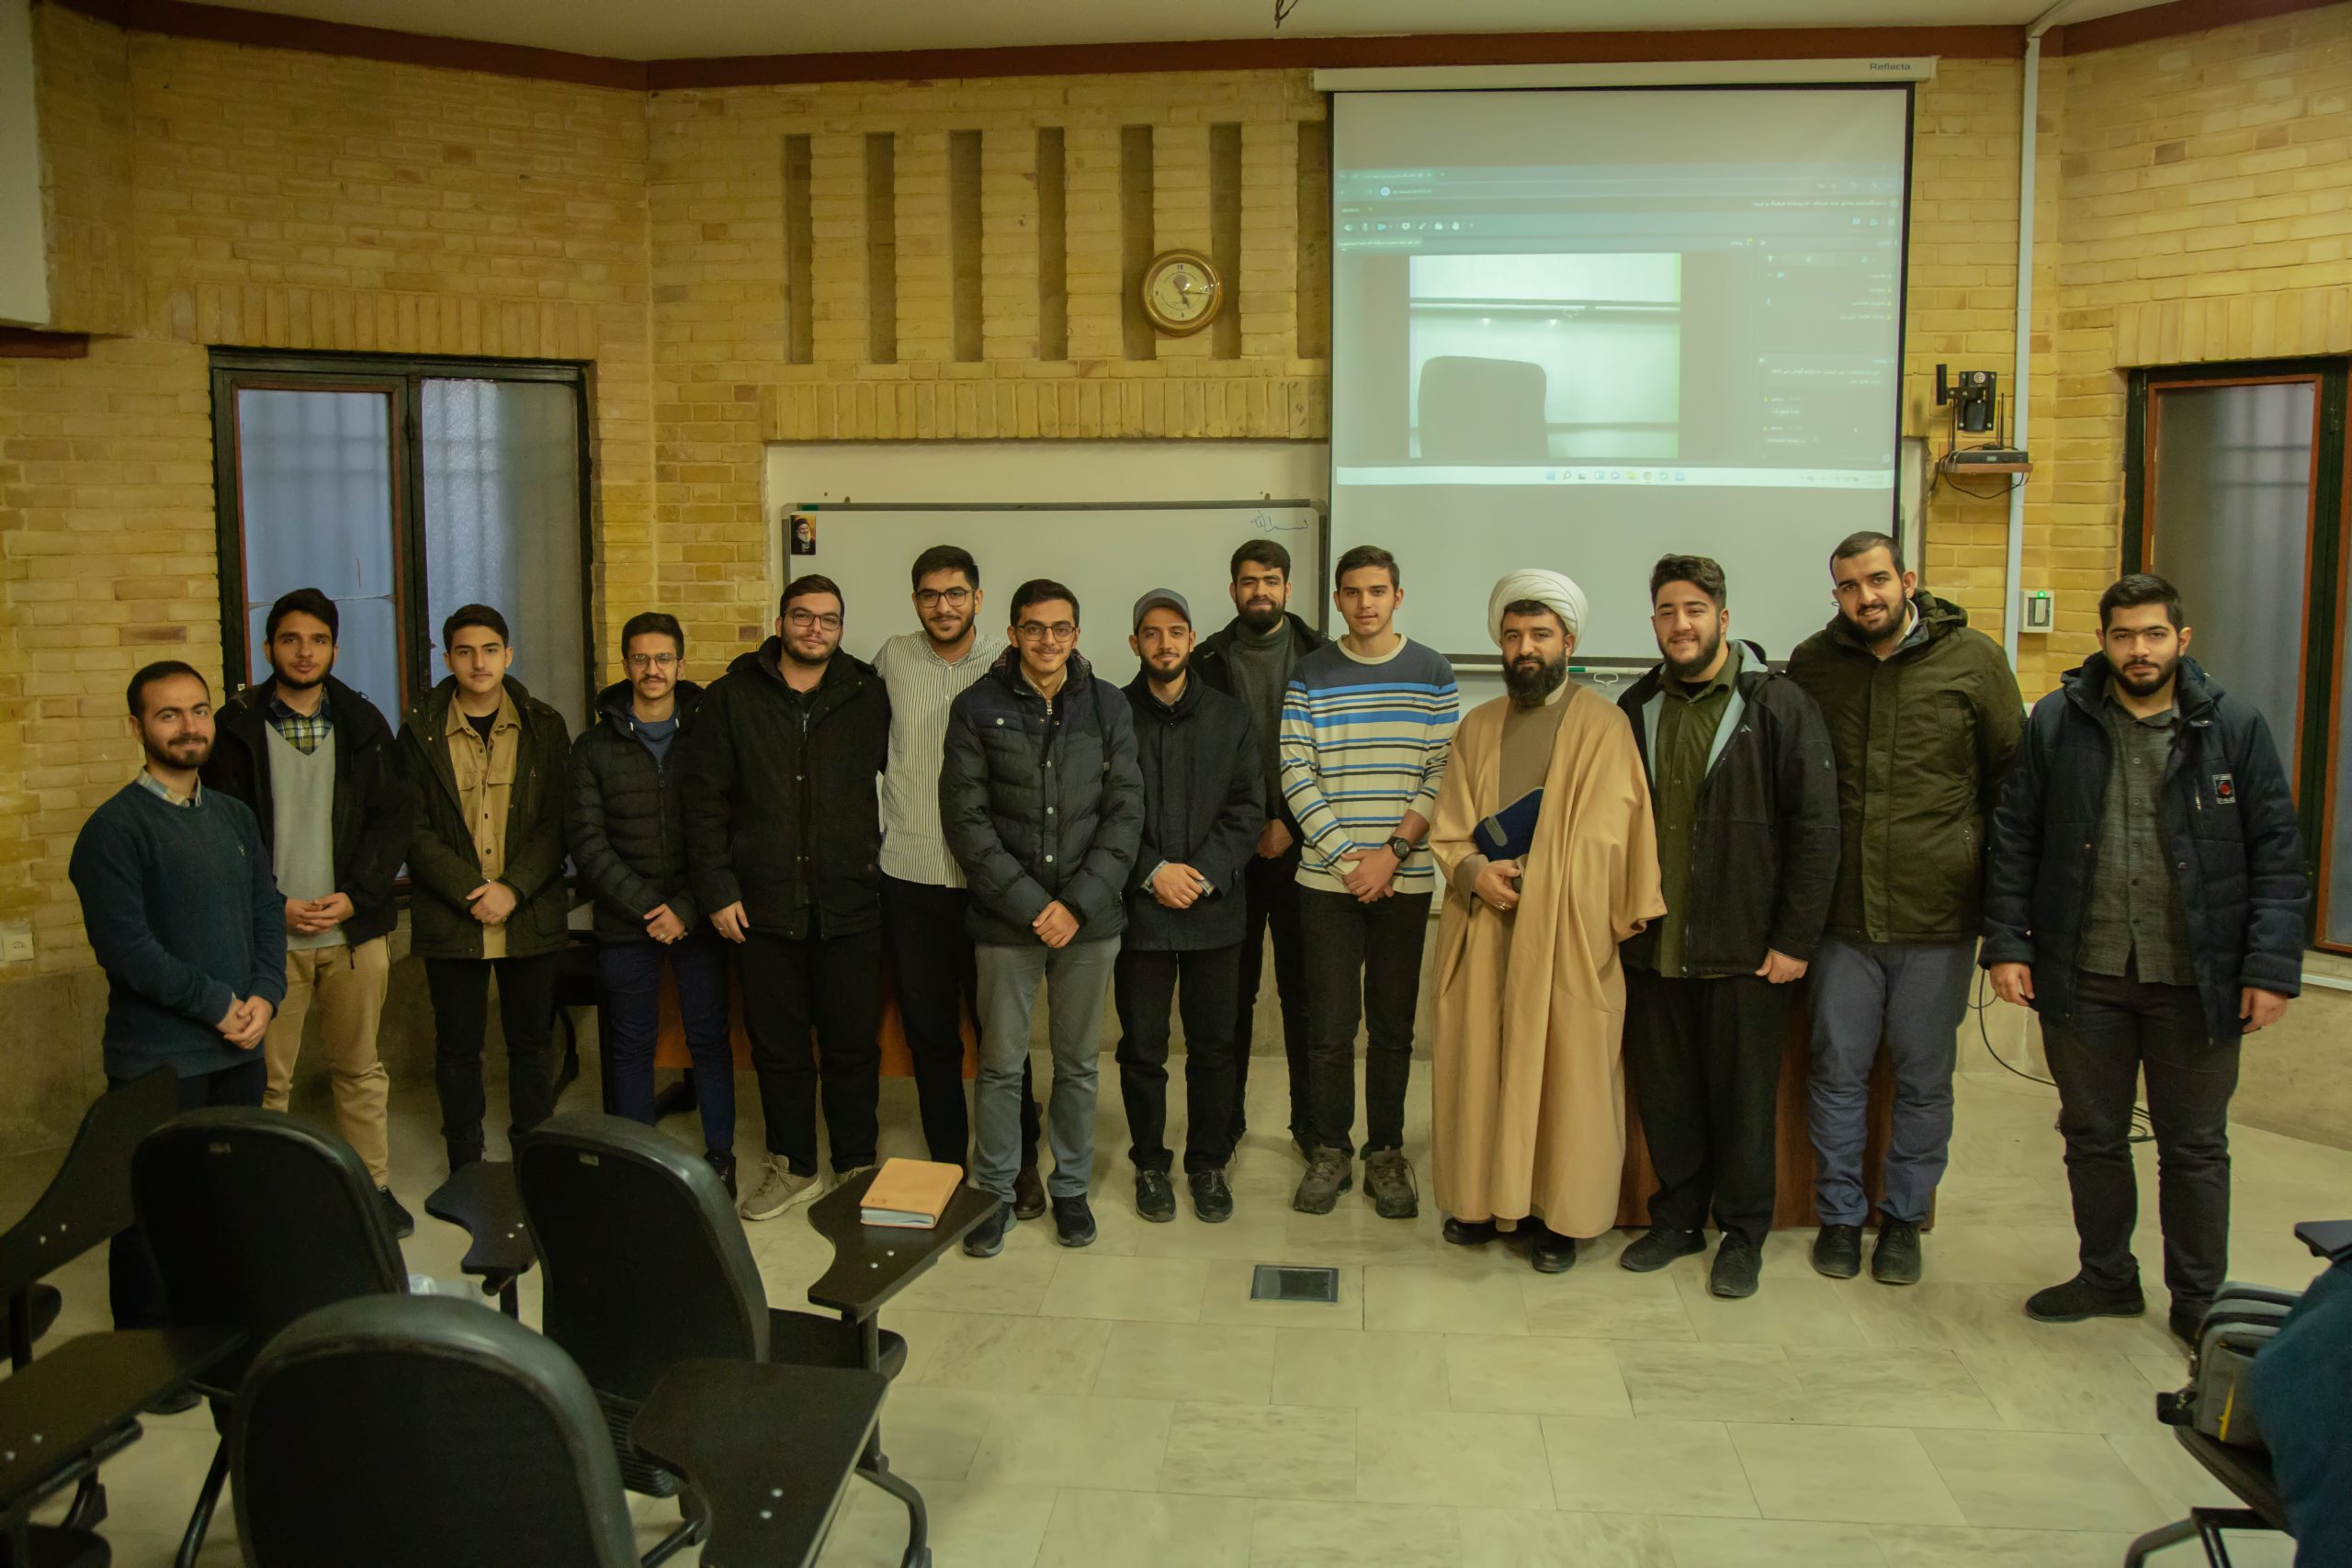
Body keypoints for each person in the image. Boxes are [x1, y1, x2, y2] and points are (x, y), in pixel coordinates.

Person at [1983, 573, 2307, 1345]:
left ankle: (2198, 1298)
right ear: (2102, 640)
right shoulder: (2057, 721)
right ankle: (2106, 1276)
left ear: (2181, 640)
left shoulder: (2233, 726)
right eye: (2124, 635)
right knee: (2091, 1134)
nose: (2139, 650)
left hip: (2196, 980)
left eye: (2154, 634)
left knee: (2194, 1147)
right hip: (2083, 972)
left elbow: (2277, 854)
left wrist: (2269, 968)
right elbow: (2015, 835)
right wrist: (2006, 943)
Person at [1787, 532, 2022, 1285]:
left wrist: (2005, 917)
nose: (1866, 597)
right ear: (1836, 594)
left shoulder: (1975, 661)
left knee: (1923, 1079)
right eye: (1850, 586)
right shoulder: (1813, 663)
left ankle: (1903, 1219)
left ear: (1908, 580)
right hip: (1840, 916)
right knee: (1837, 1071)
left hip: (1939, 916)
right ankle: (1839, 1215)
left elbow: (2012, 787)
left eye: (1878, 580)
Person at [1615, 557, 1838, 1297]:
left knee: (1744, 1104)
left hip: (1746, 950)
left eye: (1695, 610)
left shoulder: (1777, 704)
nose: (1680, 624)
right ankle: (1678, 1219)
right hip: (1654, 947)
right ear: (1654, 621)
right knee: (1668, 1097)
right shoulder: (1636, 706)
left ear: (1723, 618)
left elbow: (1817, 829)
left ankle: (1742, 1235)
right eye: (1667, 611)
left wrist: (1795, 938)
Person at [1427, 574, 1663, 1272]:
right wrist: (1474, 872)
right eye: (1512, 636)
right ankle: (1478, 1201)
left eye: (1539, 635)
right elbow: (1450, 828)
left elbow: (1613, 836)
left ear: (1569, 641)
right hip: (1485, 929)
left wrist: (1535, 876)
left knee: (1566, 1077)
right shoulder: (1477, 726)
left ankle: (1557, 1216)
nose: (1525, 648)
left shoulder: (1604, 725)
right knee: (1481, 1067)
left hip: (1566, 936)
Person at [71, 661, 285, 1335]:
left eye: (198, 710)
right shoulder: (113, 830)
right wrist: (218, 1004)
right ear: (136, 727)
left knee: (227, 1200)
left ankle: (216, 1330)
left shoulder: (234, 817)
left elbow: (266, 912)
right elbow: (128, 950)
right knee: (151, 1209)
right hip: (159, 1059)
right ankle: (145, 1350)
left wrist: (266, 994)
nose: (189, 726)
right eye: (168, 714)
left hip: (240, 1051)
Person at [201, 589, 416, 1237]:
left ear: (334, 650)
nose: (304, 652)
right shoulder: (234, 729)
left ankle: (373, 1189)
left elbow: (392, 821)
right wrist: (273, 904)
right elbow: (216, 833)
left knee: (360, 1068)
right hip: (267, 937)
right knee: (267, 1078)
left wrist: (357, 894)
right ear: (269, 647)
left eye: (318, 640)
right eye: (291, 639)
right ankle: (267, 1199)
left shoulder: (363, 723)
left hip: (352, 931)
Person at [942, 579, 1143, 1257]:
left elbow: (1125, 813)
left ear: (1076, 634)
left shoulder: (1108, 704)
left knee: (1079, 1065)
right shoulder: (977, 706)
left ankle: (1071, 1190)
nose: (1047, 640)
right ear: (1013, 633)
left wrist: (1077, 904)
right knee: (1001, 1066)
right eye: (1033, 628)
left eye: (1060, 628)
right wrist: (1035, 906)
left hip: (1090, 922)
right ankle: (996, 1192)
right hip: (1007, 922)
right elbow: (966, 820)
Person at [684, 576, 891, 1221]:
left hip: (850, 899)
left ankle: (855, 1162)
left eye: (828, 619)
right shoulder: (731, 697)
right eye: (803, 616)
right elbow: (703, 802)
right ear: (780, 623)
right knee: (777, 1048)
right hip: (761, 904)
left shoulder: (867, 693)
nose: (815, 628)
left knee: (852, 1045)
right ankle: (794, 1165)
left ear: (840, 628)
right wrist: (718, 889)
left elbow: (903, 781)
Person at [1281, 545, 1458, 1220]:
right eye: (1352, 592)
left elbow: (1441, 771)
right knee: (1329, 1027)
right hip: (1327, 883)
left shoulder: (1432, 671)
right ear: (1337, 599)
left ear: (1397, 597)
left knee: (1392, 1028)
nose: (1365, 603)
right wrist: (1349, 860)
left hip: (1403, 881)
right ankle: (1330, 1148)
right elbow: (1295, 770)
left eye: (1377, 591)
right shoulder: (1311, 672)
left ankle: (1385, 1152)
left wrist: (1391, 853)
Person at [874, 546, 1046, 1218]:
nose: (942, 606)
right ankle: (948, 1160)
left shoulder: (1011, 663)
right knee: (930, 1033)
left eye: (955, 593)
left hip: (993, 880)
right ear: (915, 600)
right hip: (912, 875)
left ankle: (1020, 1159)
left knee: (1002, 1034)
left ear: (978, 598)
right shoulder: (892, 659)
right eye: (929, 594)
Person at [568, 611, 739, 1191]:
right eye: (640, 658)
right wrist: (649, 908)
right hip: (626, 921)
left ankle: (721, 1155)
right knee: (631, 1044)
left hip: (699, 914)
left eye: (663, 658)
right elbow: (587, 842)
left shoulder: (711, 736)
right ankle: (636, 1162)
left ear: (681, 664)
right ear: (625, 665)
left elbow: (728, 827)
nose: (652, 669)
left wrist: (686, 908)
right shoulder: (593, 747)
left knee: (709, 1039)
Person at [401, 605, 573, 1172]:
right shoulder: (419, 729)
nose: (479, 662)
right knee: (457, 1047)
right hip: (454, 913)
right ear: (447, 658)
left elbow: (559, 820)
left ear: (508, 655)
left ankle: (534, 1154)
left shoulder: (545, 725)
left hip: (528, 910)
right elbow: (411, 828)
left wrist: (513, 889)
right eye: (465, 652)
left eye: (491, 650)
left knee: (532, 1043)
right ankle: (465, 1161)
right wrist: (473, 890)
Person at [1113, 590, 1263, 1224]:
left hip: (1213, 909)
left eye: (1176, 632)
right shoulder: (1111, 713)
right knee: (1143, 1048)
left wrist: (1199, 875)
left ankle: (1207, 1163)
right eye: (1151, 633)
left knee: (1214, 1047)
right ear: (1135, 643)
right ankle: (1150, 1163)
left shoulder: (1230, 716)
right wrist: (1151, 871)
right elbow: (1103, 808)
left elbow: (1248, 808)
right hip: (1139, 914)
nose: (1165, 643)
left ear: (1193, 639)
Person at [1193, 538, 1326, 1156]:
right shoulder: (1207, 660)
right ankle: (1226, 1123)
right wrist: (1245, 831)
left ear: (1287, 588)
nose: (1260, 591)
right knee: (1231, 999)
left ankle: (1310, 1126)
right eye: (1248, 581)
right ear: (1233, 590)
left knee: (1305, 997)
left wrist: (1292, 824)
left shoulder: (1324, 656)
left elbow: (1334, 755)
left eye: (1270, 581)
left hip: (1307, 850)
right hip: (1232, 856)